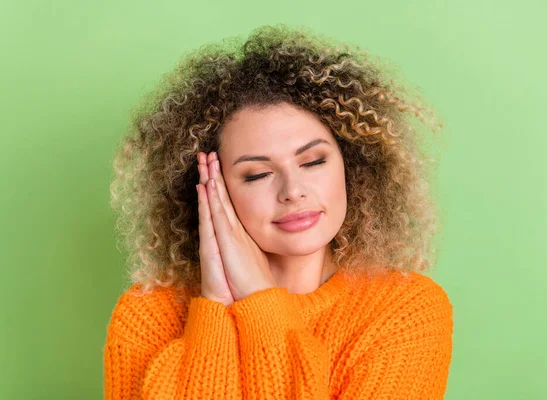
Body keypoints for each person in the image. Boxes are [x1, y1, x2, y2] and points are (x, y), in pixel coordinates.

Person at [103, 23, 453, 399]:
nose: (293, 191)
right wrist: (216, 308)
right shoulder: (149, 317)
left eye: (314, 161)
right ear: (208, 189)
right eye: (258, 174)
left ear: (351, 166)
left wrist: (259, 301)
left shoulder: (405, 311)